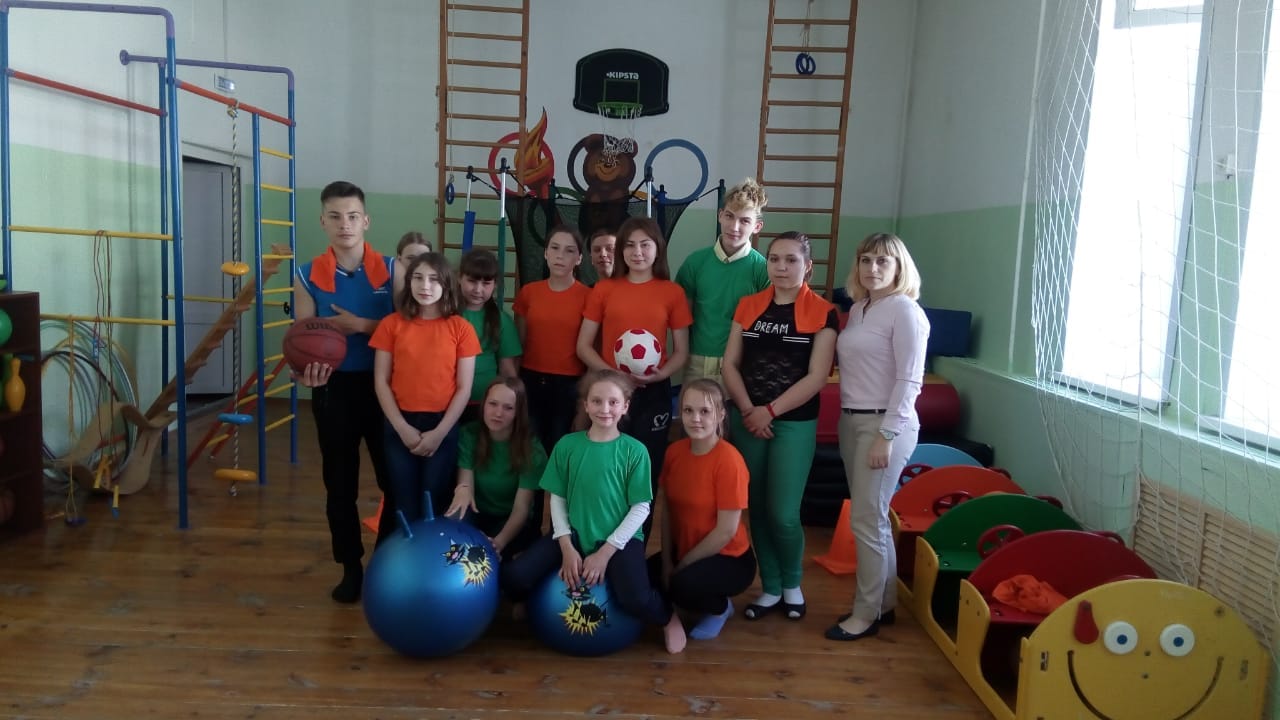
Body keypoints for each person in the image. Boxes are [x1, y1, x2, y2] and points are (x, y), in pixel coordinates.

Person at [500, 369, 687, 654]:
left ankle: (667, 618)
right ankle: (536, 598)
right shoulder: (567, 446)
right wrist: (566, 545)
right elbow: (557, 498)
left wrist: (606, 552)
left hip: (620, 540)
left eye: (613, 402)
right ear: (585, 405)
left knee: (635, 598)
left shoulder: (635, 451)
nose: (605, 409)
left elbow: (641, 508)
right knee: (515, 576)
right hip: (573, 534)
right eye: (597, 401)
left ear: (625, 406)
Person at [721, 231, 837, 621]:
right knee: (756, 508)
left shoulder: (824, 312)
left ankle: (792, 585)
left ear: (808, 267)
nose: (781, 267)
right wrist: (748, 410)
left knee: (783, 513)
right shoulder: (748, 305)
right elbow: (729, 364)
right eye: (774, 259)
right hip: (747, 419)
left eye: (791, 260)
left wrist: (769, 411)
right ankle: (770, 588)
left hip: (793, 423)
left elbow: (817, 376)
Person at [293, 180, 396, 604]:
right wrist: (304, 373)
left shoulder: (392, 269)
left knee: (394, 483)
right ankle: (351, 566)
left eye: (352, 216)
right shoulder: (306, 274)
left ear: (366, 220)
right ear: (323, 222)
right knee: (340, 487)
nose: (344, 224)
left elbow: (409, 330)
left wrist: (361, 326)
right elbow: (301, 338)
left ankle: (386, 560)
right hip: (333, 388)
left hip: (385, 388)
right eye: (335, 216)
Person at [826, 232, 929, 642]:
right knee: (873, 518)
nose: (873, 268)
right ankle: (884, 604)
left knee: (866, 521)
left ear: (899, 267)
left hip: (884, 426)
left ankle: (864, 614)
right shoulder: (860, 309)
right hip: (852, 419)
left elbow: (910, 379)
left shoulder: (905, 311)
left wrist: (886, 434)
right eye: (866, 260)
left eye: (883, 261)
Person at [577, 216, 691, 505]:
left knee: (645, 470)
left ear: (658, 248)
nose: (637, 252)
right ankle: (604, 531)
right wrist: (614, 375)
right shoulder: (604, 290)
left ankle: (638, 532)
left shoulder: (672, 292)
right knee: (607, 468)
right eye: (629, 245)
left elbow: (681, 351)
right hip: (610, 392)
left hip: (653, 392)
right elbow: (583, 346)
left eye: (645, 244)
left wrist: (658, 375)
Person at [369, 252, 480, 527]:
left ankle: (434, 555)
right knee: (403, 503)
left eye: (433, 279)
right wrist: (401, 428)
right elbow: (381, 381)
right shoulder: (391, 324)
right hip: (399, 423)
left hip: (442, 425)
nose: (425, 286)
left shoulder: (461, 328)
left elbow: (464, 388)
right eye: (418, 278)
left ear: (446, 284)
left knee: (435, 501)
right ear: (409, 283)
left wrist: (439, 433)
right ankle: (404, 555)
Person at [651, 378, 756, 641]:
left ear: (720, 415)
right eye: (688, 410)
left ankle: (721, 608)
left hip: (729, 558)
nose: (695, 419)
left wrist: (682, 566)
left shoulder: (729, 461)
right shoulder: (674, 453)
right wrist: (667, 562)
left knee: (682, 585)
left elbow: (725, 532)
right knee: (646, 577)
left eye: (705, 411)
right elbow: (667, 512)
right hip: (685, 549)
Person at [675, 178, 770, 385]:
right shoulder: (695, 263)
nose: (734, 227)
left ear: (757, 226)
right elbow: (681, 320)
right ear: (720, 215)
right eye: (729, 216)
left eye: (745, 221)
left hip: (742, 364)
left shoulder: (763, 270)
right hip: (696, 362)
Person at [445, 376, 547, 561]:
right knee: (453, 540)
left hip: (509, 521)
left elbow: (521, 509)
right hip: (477, 511)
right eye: (493, 404)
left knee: (494, 563)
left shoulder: (532, 450)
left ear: (518, 412)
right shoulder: (469, 434)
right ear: (484, 405)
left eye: (508, 408)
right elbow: (465, 487)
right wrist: (462, 492)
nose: (498, 413)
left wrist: (498, 543)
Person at [513, 225, 590, 459]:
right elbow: (518, 345)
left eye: (569, 250)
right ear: (546, 253)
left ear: (579, 258)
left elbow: (591, 352)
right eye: (555, 248)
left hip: (569, 386)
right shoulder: (528, 293)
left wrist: (583, 403)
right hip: (530, 381)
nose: (560, 256)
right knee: (529, 450)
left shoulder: (589, 297)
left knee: (560, 451)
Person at [459, 249, 522, 415]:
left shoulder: (501, 321)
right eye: (471, 281)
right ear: (459, 278)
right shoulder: (447, 316)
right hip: (447, 401)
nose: (478, 289)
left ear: (495, 284)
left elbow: (507, 370)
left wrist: (513, 404)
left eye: (486, 283)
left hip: (486, 404)